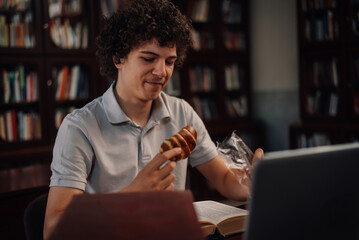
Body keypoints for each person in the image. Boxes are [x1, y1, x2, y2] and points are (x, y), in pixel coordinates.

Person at [43, 0, 264, 239]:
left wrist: (253, 182)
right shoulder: (79, 127)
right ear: (118, 58)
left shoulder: (183, 113)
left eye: (169, 61)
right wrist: (130, 196)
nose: (162, 72)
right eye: (149, 59)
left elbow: (222, 179)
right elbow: (54, 229)